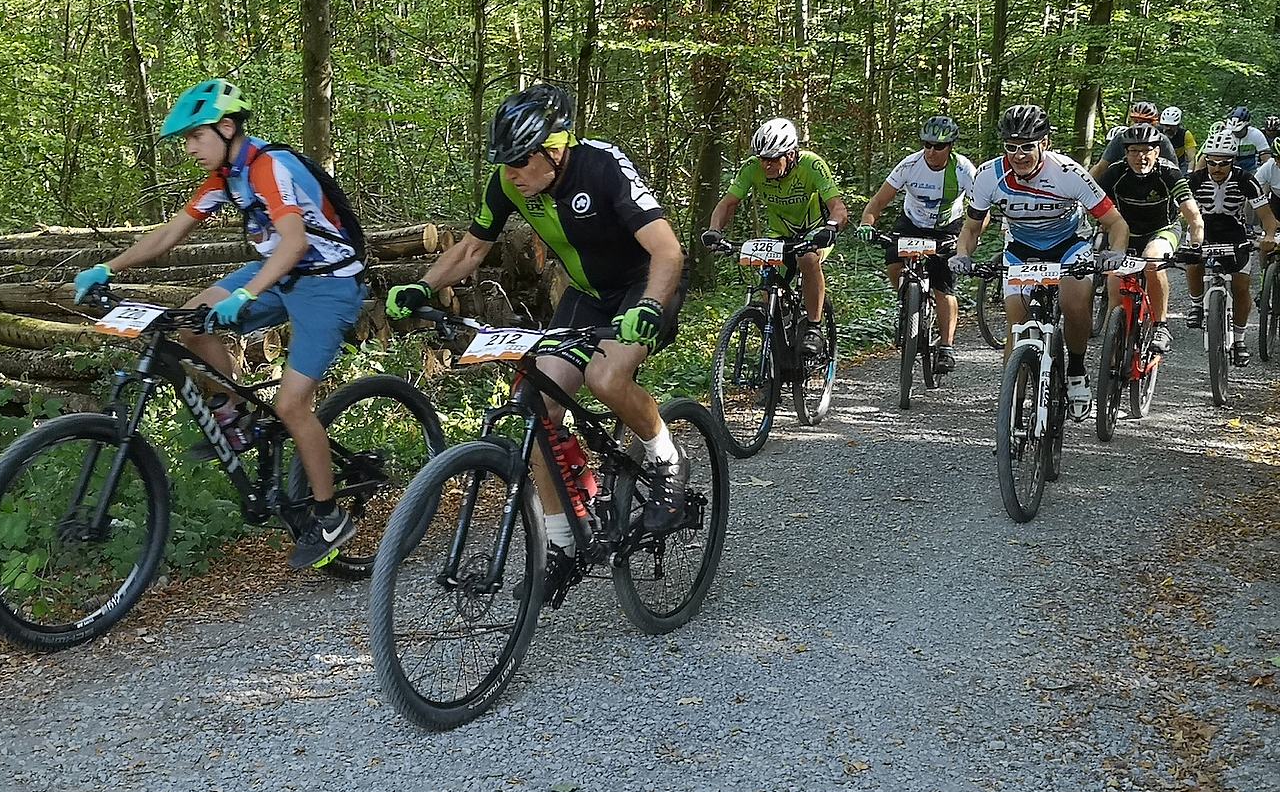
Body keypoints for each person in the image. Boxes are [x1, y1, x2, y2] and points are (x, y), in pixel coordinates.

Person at [385, 84, 688, 595]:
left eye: (520, 161)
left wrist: (651, 307)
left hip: (644, 286)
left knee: (605, 376)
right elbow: (471, 249)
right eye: (504, 163)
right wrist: (424, 285)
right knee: (535, 407)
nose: (511, 174)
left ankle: (665, 458)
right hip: (587, 295)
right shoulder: (508, 182)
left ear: (555, 148)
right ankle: (564, 540)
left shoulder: (603, 166)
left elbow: (668, 251)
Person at [71, 79, 367, 571]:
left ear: (227, 128)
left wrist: (248, 294)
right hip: (279, 271)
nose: (188, 148)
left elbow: (295, 241)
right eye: (186, 139)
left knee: (292, 405)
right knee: (192, 320)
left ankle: (329, 516)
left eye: (195, 136)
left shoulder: (269, 167)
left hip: (328, 283)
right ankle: (236, 414)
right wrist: (108, 267)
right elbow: (170, 232)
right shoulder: (227, 177)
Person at [949, 104, 1129, 418]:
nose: (1018, 155)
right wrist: (962, 254)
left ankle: (1076, 370)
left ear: (1044, 143)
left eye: (1027, 147)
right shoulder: (989, 175)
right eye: (1011, 147)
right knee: (1016, 319)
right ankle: (1013, 405)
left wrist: (1116, 253)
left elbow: (1116, 223)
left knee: (1074, 302)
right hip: (1021, 249)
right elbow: (972, 227)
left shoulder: (1068, 173)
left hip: (1068, 246)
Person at [701, 118, 849, 356]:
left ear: (790, 155)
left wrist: (831, 228)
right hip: (778, 234)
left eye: (772, 159)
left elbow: (838, 208)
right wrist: (714, 230)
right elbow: (728, 203)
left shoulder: (811, 164)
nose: (766, 165)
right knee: (767, 278)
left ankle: (814, 327)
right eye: (762, 159)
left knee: (807, 258)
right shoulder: (752, 168)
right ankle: (779, 342)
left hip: (813, 232)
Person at [854, 115, 976, 374]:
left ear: (950, 146)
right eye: (927, 144)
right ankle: (907, 302)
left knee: (944, 286)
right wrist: (866, 224)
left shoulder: (963, 169)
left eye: (938, 146)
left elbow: (980, 211)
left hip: (946, 228)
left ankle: (946, 347)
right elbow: (878, 202)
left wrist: (969, 237)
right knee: (893, 260)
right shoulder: (910, 165)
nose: (931, 151)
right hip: (912, 224)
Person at [1096, 124, 1204, 353]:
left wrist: (1195, 245)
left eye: (1147, 151)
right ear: (1126, 153)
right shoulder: (1115, 173)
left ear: (1157, 152)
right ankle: (1115, 337)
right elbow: (1094, 204)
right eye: (1134, 151)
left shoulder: (1169, 173)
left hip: (1162, 229)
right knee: (1114, 279)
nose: (1141, 157)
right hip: (1126, 232)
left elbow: (1194, 216)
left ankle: (1160, 326)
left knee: (1152, 261)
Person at [1181, 128, 1278, 365]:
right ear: (1206, 160)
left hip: (1235, 234)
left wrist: (1268, 235)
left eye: (1223, 163)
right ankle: (1196, 304)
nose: (1217, 168)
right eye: (1212, 162)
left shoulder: (1246, 180)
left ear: (1233, 161)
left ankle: (1240, 340)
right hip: (1202, 232)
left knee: (1241, 286)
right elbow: (1176, 212)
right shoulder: (1194, 180)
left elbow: (1267, 216)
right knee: (1192, 260)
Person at [1089, 101, 1178, 179]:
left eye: (1145, 122)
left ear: (1154, 124)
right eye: (1136, 121)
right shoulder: (1120, 138)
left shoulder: (1162, 141)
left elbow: (1174, 172)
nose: (1140, 126)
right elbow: (1101, 167)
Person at [1159, 107, 1197, 171]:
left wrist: (1190, 172)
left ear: (1178, 125)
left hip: (1180, 163)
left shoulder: (1185, 134)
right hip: (1161, 161)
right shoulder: (1157, 133)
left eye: (1172, 126)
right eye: (1166, 125)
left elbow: (1191, 159)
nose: (1168, 128)